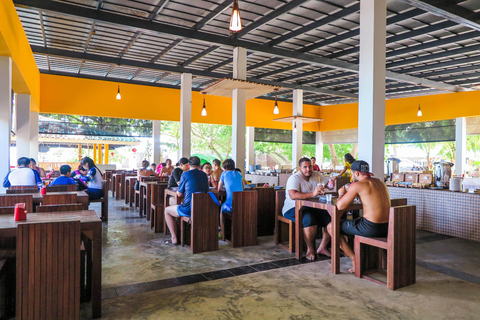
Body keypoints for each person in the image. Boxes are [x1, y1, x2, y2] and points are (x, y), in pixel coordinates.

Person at [327, 160, 390, 273]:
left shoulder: (357, 185)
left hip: (371, 228)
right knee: (353, 222)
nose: (352, 176)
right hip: (387, 227)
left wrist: (341, 193)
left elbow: (340, 206)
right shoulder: (380, 182)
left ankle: (354, 258)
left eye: (351, 174)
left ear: (356, 173)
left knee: (331, 226)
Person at [282, 157, 333, 260]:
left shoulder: (316, 175)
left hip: (312, 207)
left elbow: (329, 185)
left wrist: (331, 184)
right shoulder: (294, 178)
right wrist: (314, 193)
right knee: (310, 220)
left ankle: (322, 247)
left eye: (310, 166)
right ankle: (310, 249)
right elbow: (293, 195)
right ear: (299, 168)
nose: (308, 169)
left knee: (331, 219)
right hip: (292, 208)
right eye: (305, 167)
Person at [164, 156, 209, 245]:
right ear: (200, 165)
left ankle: (174, 238)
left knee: (167, 210)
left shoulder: (185, 174)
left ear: (188, 165)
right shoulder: (204, 175)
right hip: (203, 208)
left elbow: (179, 194)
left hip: (189, 209)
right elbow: (206, 190)